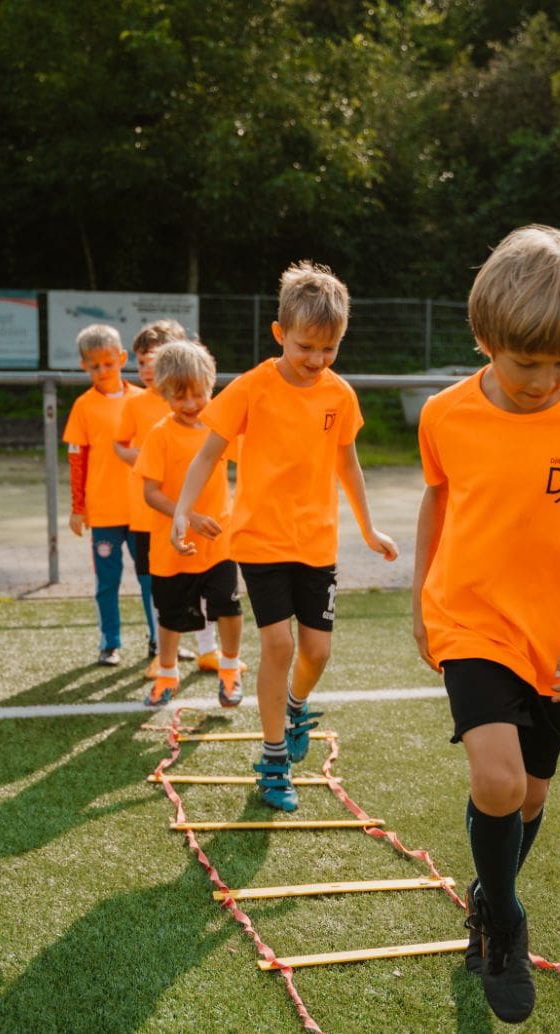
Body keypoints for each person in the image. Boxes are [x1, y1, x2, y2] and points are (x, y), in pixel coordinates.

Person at [412, 225, 560, 1025]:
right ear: (485, 340)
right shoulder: (443, 415)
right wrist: (419, 597)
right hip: (469, 619)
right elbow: (437, 500)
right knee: (498, 779)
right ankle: (504, 920)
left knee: (532, 794)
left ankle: (486, 896)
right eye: (526, 363)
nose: (545, 381)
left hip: (556, 636)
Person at [170, 261, 398, 811]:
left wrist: (368, 527)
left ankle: (295, 705)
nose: (317, 360)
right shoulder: (252, 387)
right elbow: (208, 454)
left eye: (329, 349)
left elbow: (348, 464)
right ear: (279, 334)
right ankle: (273, 763)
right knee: (279, 644)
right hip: (260, 540)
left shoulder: (339, 395)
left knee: (316, 651)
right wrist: (181, 511)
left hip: (316, 542)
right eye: (305, 347)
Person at [134, 339, 244, 709]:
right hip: (173, 546)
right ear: (163, 393)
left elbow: (252, 462)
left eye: (199, 394)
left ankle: (230, 670)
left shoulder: (220, 429)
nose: (191, 404)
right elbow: (150, 493)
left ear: (211, 385)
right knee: (170, 617)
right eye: (180, 397)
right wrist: (189, 517)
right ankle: (167, 673)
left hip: (219, 543)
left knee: (228, 607)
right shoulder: (160, 434)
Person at [115, 318, 223, 679]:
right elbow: (122, 448)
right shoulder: (137, 404)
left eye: (156, 359)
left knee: (205, 582)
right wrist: (142, 459)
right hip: (153, 516)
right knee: (161, 586)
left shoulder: (200, 406)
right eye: (143, 361)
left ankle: (207, 649)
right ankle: (161, 652)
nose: (149, 368)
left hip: (201, 517)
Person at [62, 323, 153, 666]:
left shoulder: (144, 399)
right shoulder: (83, 406)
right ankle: (110, 642)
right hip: (104, 513)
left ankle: (160, 641)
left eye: (108, 363)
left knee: (151, 580)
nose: (102, 370)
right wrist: (78, 507)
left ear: (122, 359)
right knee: (107, 582)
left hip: (143, 510)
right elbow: (76, 460)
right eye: (94, 365)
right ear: (84, 366)